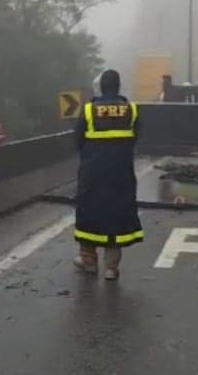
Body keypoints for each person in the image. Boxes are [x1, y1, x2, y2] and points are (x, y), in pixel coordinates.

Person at [73, 69, 141, 281]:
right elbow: (135, 139)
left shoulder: (88, 110)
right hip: (121, 174)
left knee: (89, 213)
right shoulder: (131, 110)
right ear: (118, 86)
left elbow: (77, 141)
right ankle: (111, 268)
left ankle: (89, 261)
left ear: (100, 87)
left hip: (93, 174)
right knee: (116, 216)